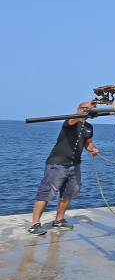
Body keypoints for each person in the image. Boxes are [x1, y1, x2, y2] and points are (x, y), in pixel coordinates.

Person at [28, 101, 99, 235]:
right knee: (45, 193)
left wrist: (93, 149)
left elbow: (88, 144)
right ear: (78, 109)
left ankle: (59, 220)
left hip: (75, 164)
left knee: (68, 193)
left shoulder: (89, 127)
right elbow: (74, 119)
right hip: (57, 164)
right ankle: (34, 224)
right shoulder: (70, 121)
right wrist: (86, 109)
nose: (87, 111)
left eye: (90, 110)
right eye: (85, 109)